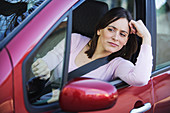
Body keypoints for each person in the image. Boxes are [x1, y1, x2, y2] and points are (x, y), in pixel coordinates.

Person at [32, 7, 153, 87]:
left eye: (122, 34)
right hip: (45, 102)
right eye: (111, 29)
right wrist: (42, 66)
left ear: (126, 40)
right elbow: (50, 59)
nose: (116, 38)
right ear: (99, 30)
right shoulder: (75, 40)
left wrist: (146, 37)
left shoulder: (117, 64)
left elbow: (140, 79)